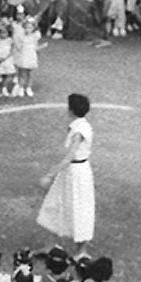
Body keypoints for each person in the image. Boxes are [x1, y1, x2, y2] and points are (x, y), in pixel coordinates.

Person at [37, 93, 96, 253]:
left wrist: (49, 174)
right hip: (73, 172)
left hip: (77, 173)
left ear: (71, 110)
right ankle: (51, 246)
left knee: (80, 208)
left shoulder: (78, 130)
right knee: (57, 203)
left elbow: (69, 157)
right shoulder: (81, 125)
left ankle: (81, 251)